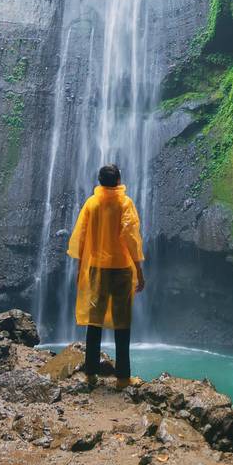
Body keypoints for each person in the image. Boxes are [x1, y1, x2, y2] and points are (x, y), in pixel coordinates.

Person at [67, 163, 146, 389]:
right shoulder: (125, 203)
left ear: (100, 181)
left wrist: (80, 268)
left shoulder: (91, 204)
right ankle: (123, 378)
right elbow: (131, 238)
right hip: (121, 269)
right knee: (123, 324)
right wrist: (139, 270)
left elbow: (80, 239)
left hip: (96, 269)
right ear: (119, 180)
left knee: (95, 322)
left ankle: (90, 374)